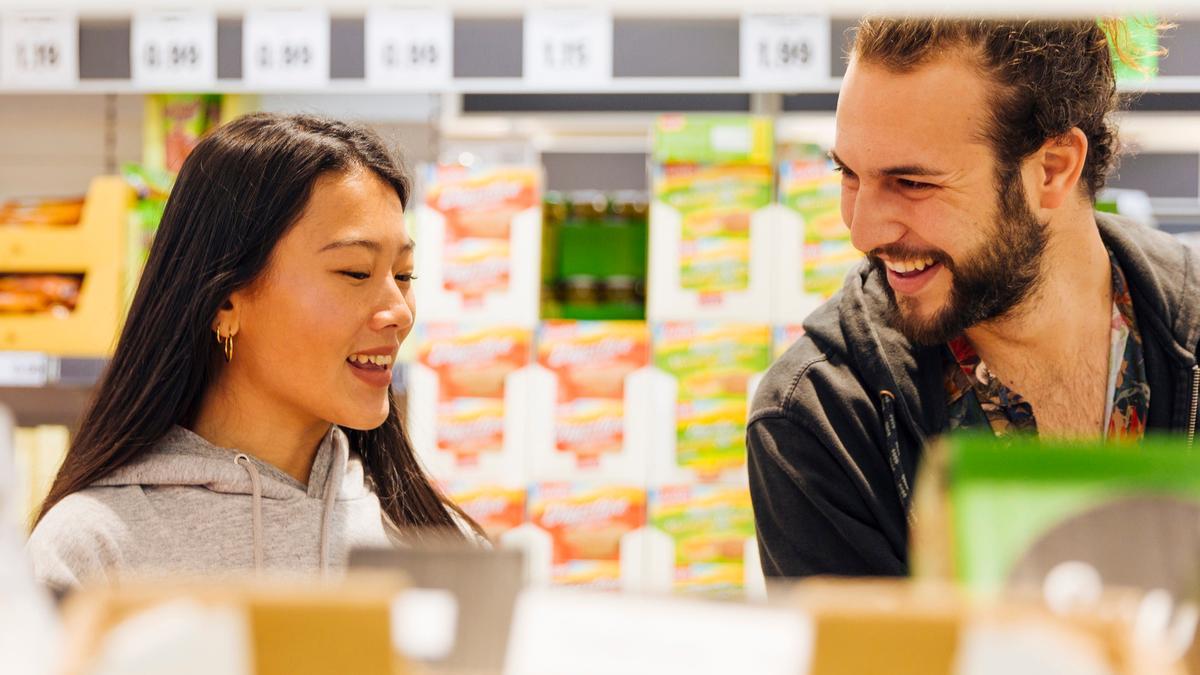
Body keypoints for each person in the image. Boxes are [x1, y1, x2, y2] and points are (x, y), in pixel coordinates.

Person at [748, 19, 1200, 579]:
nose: (862, 231)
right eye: (848, 174)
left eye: (913, 184)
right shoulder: (821, 419)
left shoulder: (1188, 330)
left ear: (1053, 170)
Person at [28, 113, 483, 591]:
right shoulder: (90, 549)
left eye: (405, 275)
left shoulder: (435, 546)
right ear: (225, 301)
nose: (399, 312)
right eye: (355, 272)